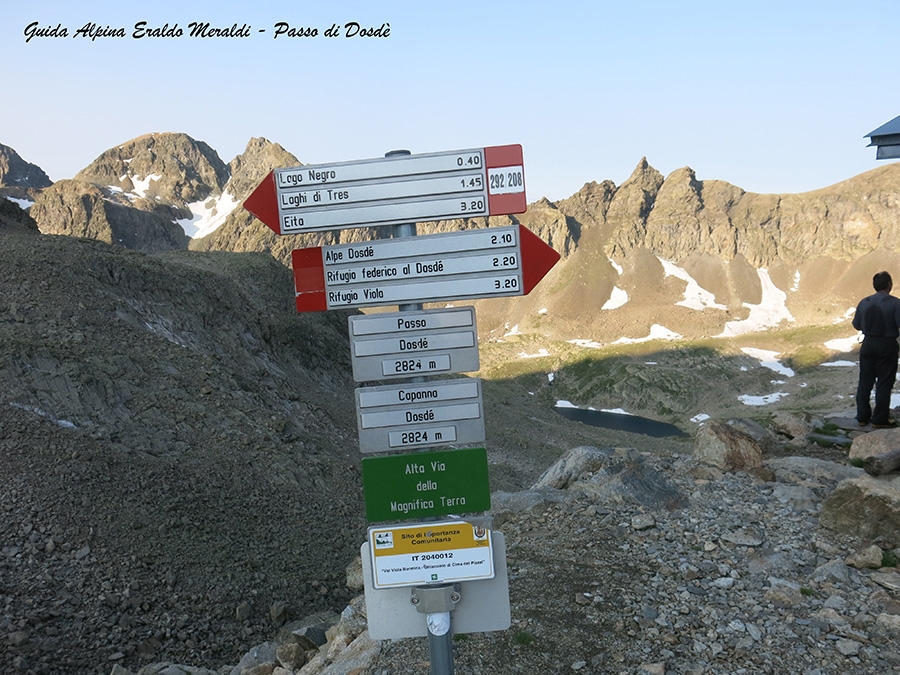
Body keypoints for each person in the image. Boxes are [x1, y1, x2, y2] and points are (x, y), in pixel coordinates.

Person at [853, 271, 900, 427]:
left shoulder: (864, 302)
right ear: (889, 285)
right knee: (884, 382)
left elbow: (856, 324)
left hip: (868, 344)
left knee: (865, 381)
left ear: (874, 286)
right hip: (887, 344)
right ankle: (879, 420)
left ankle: (862, 417)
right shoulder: (895, 303)